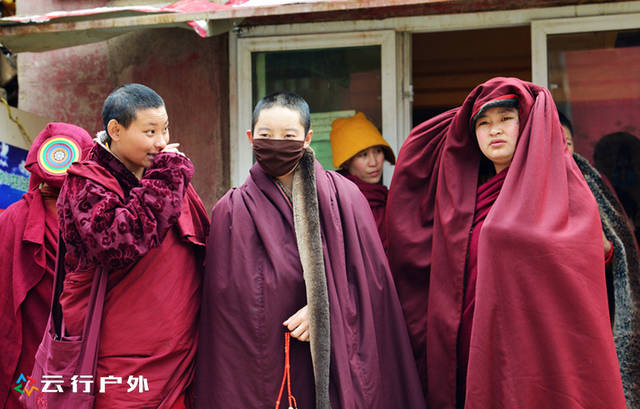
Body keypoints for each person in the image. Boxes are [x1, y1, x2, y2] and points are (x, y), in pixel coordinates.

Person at [386, 77, 626, 409]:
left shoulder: (559, 186)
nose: (494, 130)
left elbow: (589, 257)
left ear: (525, 124)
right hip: (473, 344)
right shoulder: (464, 198)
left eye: (505, 119)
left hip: (536, 346)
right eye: (483, 123)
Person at [195, 92, 426, 409]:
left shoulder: (346, 197)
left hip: (337, 359)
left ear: (307, 138)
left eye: (288, 136)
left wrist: (323, 308)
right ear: (250, 137)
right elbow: (225, 311)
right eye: (266, 135)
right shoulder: (231, 210)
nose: (276, 144)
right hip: (267, 367)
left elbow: (373, 287)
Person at [55, 84, 209, 409]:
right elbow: (118, 244)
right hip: (119, 356)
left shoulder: (161, 173)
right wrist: (167, 176)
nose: (162, 142)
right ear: (116, 130)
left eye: (165, 128)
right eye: (150, 131)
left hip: (176, 351)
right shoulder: (86, 182)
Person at [0, 123, 93, 409]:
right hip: (82, 360)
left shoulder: (10, 220)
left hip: (22, 363)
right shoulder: (97, 224)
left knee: (26, 391)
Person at [559, 111, 640, 407]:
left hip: (594, 305)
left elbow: (615, 245)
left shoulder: (591, 185)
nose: (560, 148)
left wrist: (603, 249)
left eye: (566, 141)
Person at [329, 112, 395, 242]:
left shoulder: (386, 199)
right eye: (363, 155)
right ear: (347, 162)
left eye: (377, 151)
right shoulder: (338, 203)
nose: (373, 162)